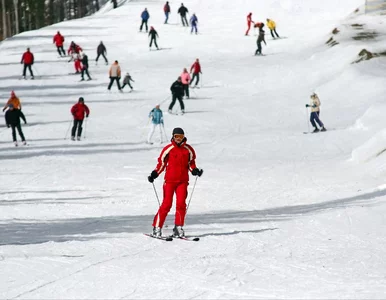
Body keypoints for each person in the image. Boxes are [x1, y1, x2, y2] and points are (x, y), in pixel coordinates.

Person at [147, 127, 203, 238]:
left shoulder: (188, 149)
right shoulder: (168, 149)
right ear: (173, 136)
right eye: (176, 136)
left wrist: (195, 170)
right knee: (167, 204)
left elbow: (191, 164)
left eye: (180, 137)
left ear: (184, 137)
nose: (178, 139)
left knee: (181, 204)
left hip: (182, 182)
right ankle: (157, 227)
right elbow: (161, 164)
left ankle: (178, 227)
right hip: (170, 181)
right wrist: (155, 174)